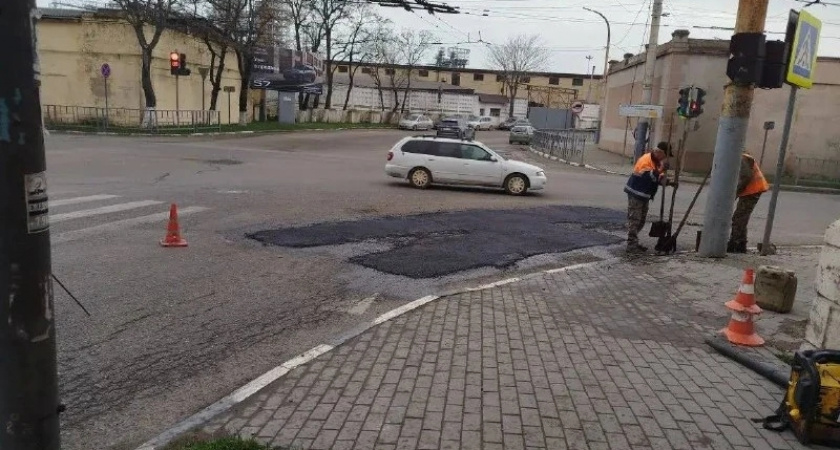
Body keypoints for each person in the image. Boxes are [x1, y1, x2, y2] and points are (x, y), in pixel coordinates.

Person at [624, 141, 674, 253]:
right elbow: (650, 176)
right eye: (665, 155)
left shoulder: (656, 161)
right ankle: (631, 245)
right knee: (635, 220)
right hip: (636, 193)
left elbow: (659, 177)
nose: (665, 158)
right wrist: (662, 169)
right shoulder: (646, 160)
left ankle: (634, 243)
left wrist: (669, 182)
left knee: (641, 220)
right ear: (660, 152)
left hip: (644, 195)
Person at [728, 152, 769, 253]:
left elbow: (746, 176)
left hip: (753, 190)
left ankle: (736, 244)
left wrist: (736, 193)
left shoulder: (741, 158)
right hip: (753, 190)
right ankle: (740, 244)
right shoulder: (742, 157)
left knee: (739, 217)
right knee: (741, 217)